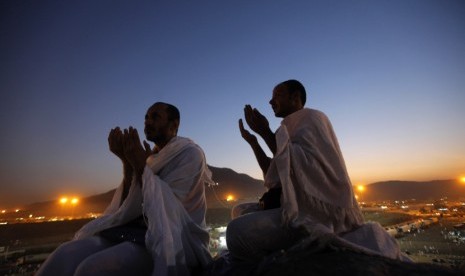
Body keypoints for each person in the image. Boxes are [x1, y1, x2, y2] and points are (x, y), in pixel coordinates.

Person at [226, 80, 407, 265]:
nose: (271, 102)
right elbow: (273, 177)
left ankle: (285, 265)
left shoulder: (313, 118)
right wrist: (254, 143)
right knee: (238, 210)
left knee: (235, 233)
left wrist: (265, 132)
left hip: (316, 215)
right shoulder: (286, 129)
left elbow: (304, 166)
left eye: (277, 96)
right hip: (291, 205)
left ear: (295, 97)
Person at [36, 102, 214, 276]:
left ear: (174, 124)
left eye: (155, 117)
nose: (147, 122)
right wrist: (127, 162)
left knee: (92, 268)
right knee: (64, 254)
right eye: (146, 117)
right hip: (136, 231)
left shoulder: (191, 154)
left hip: (175, 238)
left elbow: (168, 210)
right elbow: (128, 204)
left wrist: (139, 166)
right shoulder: (151, 158)